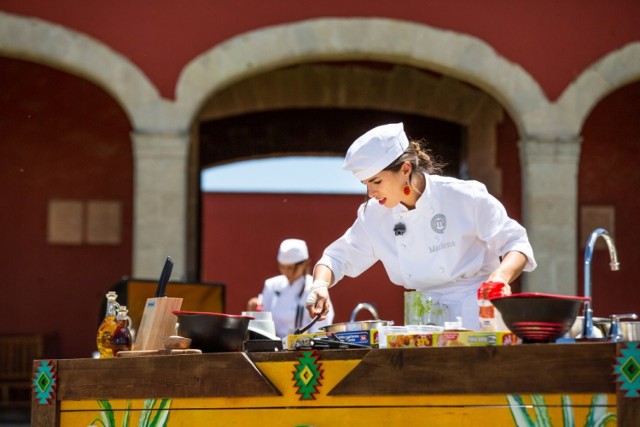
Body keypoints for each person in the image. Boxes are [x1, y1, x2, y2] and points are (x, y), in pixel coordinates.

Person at [306, 123, 536, 330]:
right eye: (365, 184)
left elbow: (516, 244)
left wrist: (499, 278)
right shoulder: (373, 215)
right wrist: (319, 285)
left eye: (376, 182)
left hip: (477, 312)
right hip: (423, 321)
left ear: (405, 169)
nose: (370, 193)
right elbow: (336, 258)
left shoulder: (463, 196)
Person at [248, 238, 335, 338]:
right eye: (282, 267)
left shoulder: (315, 287)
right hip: (274, 345)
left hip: (305, 347)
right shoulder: (271, 285)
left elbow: (321, 326)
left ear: (304, 264)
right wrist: (254, 310)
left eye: (290, 268)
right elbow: (264, 321)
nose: (286, 272)